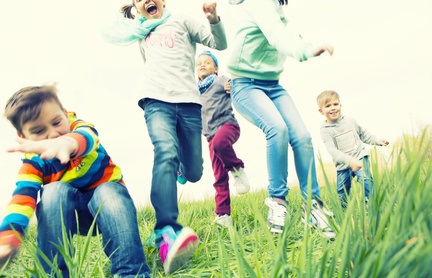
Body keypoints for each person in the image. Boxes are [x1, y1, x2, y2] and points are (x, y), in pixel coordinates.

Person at [103, 0, 228, 274]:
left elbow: (218, 44)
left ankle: (181, 167)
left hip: (188, 102)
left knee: (194, 172)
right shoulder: (140, 31)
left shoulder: (182, 21)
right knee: (165, 151)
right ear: (137, 6)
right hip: (154, 100)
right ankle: (166, 229)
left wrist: (214, 19)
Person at [0, 84, 150, 277]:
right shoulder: (33, 163)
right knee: (54, 190)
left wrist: (67, 143)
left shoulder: (80, 129)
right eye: (38, 131)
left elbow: (87, 138)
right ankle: (52, 273)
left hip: (109, 210)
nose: (53, 134)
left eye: (56, 122)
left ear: (65, 113)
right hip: (71, 214)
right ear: (23, 137)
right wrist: (8, 236)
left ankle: (131, 272)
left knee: (108, 191)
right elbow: (21, 200)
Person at [227, 0, 336, 239]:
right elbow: (276, 36)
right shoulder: (259, 4)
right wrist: (305, 49)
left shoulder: (276, 9)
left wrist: (299, 42)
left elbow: (281, 37)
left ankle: (313, 205)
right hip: (245, 84)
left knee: (302, 136)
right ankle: (278, 202)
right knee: (277, 129)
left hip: (273, 86)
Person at [196, 50, 250, 228]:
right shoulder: (194, 91)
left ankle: (237, 168)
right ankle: (223, 214)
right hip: (210, 137)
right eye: (199, 63)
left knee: (220, 142)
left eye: (207, 62)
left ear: (216, 68)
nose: (203, 65)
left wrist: (232, 85)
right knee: (219, 176)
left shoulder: (220, 80)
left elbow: (234, 84)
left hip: (228, 127)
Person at [317, 90, 389, 208]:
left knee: (365, 179)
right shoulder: (325, 130)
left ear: (340, 105)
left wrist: (378, 141)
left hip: (359, 156)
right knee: (342, 192)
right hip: (343, 165)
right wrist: (349, 161)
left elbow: (363, 134)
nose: (333, 108)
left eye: (335, 104)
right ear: (321, 111)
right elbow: (332, 150)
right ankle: (344, 213)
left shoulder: (350, 121)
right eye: (328, 106)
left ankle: (370, 205)